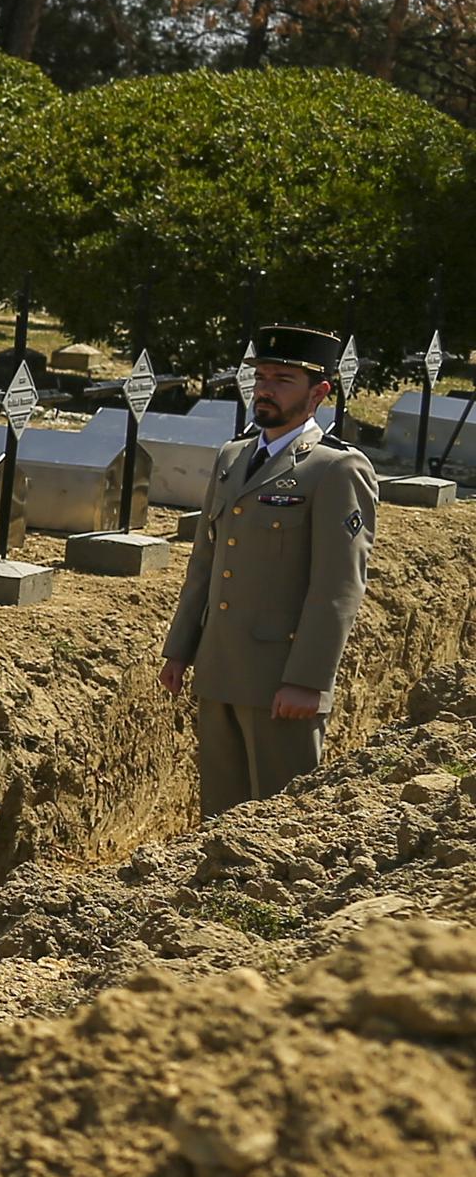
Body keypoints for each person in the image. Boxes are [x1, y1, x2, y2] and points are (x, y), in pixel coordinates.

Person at [159, 326, 379, 816]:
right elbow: (205, 564)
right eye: (261, 377)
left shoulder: (336, 469)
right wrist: (180, 649)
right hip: (218, 669)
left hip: (281, 681)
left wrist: (307, 680)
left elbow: (339, 586)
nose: (265, 389)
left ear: (318, 393)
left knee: (280, 820)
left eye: (282, 379)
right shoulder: (232, 456)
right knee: (219, 815)